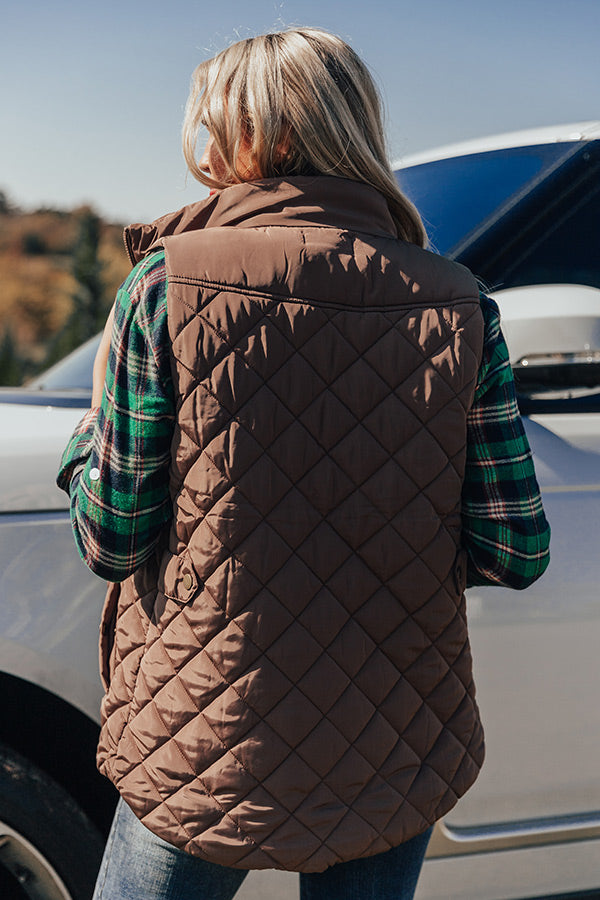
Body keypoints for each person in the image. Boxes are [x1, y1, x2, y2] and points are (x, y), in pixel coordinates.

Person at [57, 27, 550, 900]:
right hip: (394, 737)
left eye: (213, 126)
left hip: (201, 735)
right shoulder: (463, 303)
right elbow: (517, 549)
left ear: (248, 135)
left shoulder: (167, 287)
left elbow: (113, 535)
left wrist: (88, 434)